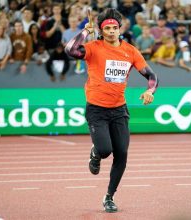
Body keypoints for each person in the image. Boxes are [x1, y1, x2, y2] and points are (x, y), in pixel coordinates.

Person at [65, 8, 158, 213]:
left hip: (119, 110)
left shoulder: (131, 51)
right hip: (96, 109)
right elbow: (70, 50)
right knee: (106, 150)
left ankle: (109, 196)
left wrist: (150, 90)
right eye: (106, 28)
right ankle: (96, 152)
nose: (111, 31)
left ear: (119, 29)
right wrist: (84, 32)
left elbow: (151, 75)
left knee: (122, 153)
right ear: (102, 30)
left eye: (114, 28)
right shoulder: (92, 47)